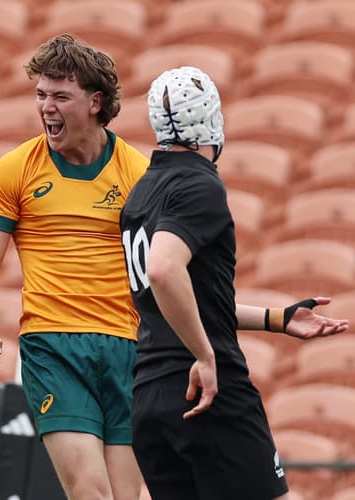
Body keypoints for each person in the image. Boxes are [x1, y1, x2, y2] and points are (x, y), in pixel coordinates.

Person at [119, 65, 350, 500]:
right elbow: (164, 270)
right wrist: (205, 357)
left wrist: (278, 319)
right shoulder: (199, 185)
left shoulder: (142, 192)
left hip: (149, 396)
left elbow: (175, 297)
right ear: (211, 118)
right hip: (205, 388)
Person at [0, 34, 148, 500]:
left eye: (60, 96)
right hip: (53, 346)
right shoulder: (15, 169)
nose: (47, 107)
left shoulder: (139, 175)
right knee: (91, 492)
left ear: (94, 102)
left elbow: (163, 274)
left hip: (128, 347)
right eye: (41, 94)